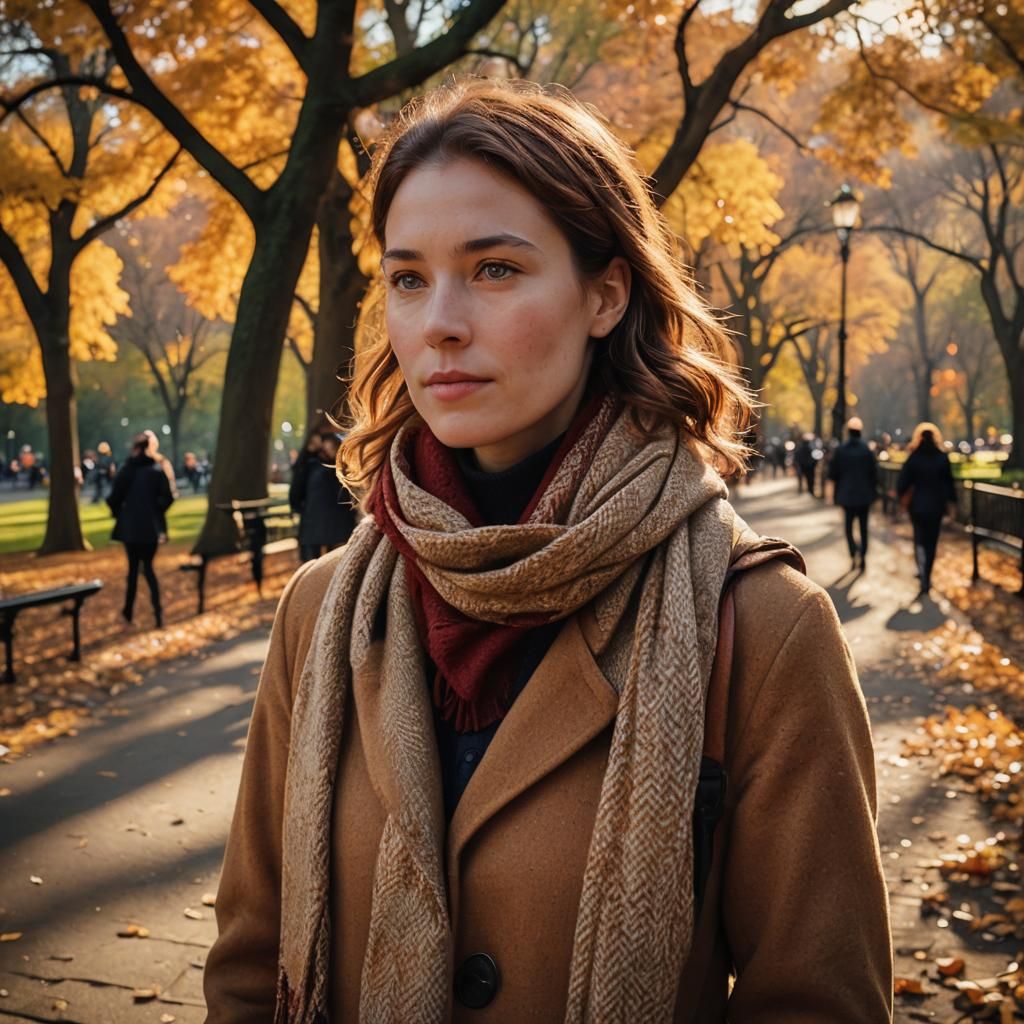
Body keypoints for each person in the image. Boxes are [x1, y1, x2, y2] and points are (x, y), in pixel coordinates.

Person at [204, 79, 892, 1023]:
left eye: (494, 269)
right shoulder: (323, 610)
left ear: (606, 293)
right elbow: (250, 970)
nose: (440, 321)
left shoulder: (765, 628)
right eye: (408, 278)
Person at [107, 430, 175, 628]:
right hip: (150, 528)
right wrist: (156, 512)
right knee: (149, 569)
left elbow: (113, 498)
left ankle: (128, 612)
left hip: (131, 528)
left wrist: (121, 514)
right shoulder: (156, 470)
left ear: (136, 448)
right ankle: (157, 613)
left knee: (133, 570)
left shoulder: (127, 470)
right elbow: (168, 497)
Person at [896, 422, 956, 598]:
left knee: (919, 540)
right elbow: (949, 484)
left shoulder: (914, 458)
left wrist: (902, 497)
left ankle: (922, 572)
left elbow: (902, 483)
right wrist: (952, 506)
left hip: (917, 506)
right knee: (932, 542)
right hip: (936, 506)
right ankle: (927, 575)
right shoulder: (942, 458)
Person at [288, 431, 357, 562]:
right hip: (318, 527)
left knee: (325, 565)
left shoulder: (315, 468)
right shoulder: (312, 467)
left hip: (328, 527)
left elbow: (346, 498)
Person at [828, 416, 878, 571]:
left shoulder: (841, 450)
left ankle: (853, 552)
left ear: (848, 432)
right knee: (863, 528)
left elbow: (833, 473)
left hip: (847, 494)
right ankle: (863, 555)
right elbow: (874, 474)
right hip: (864, 495)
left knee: (848, 527)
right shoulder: (867, 450)